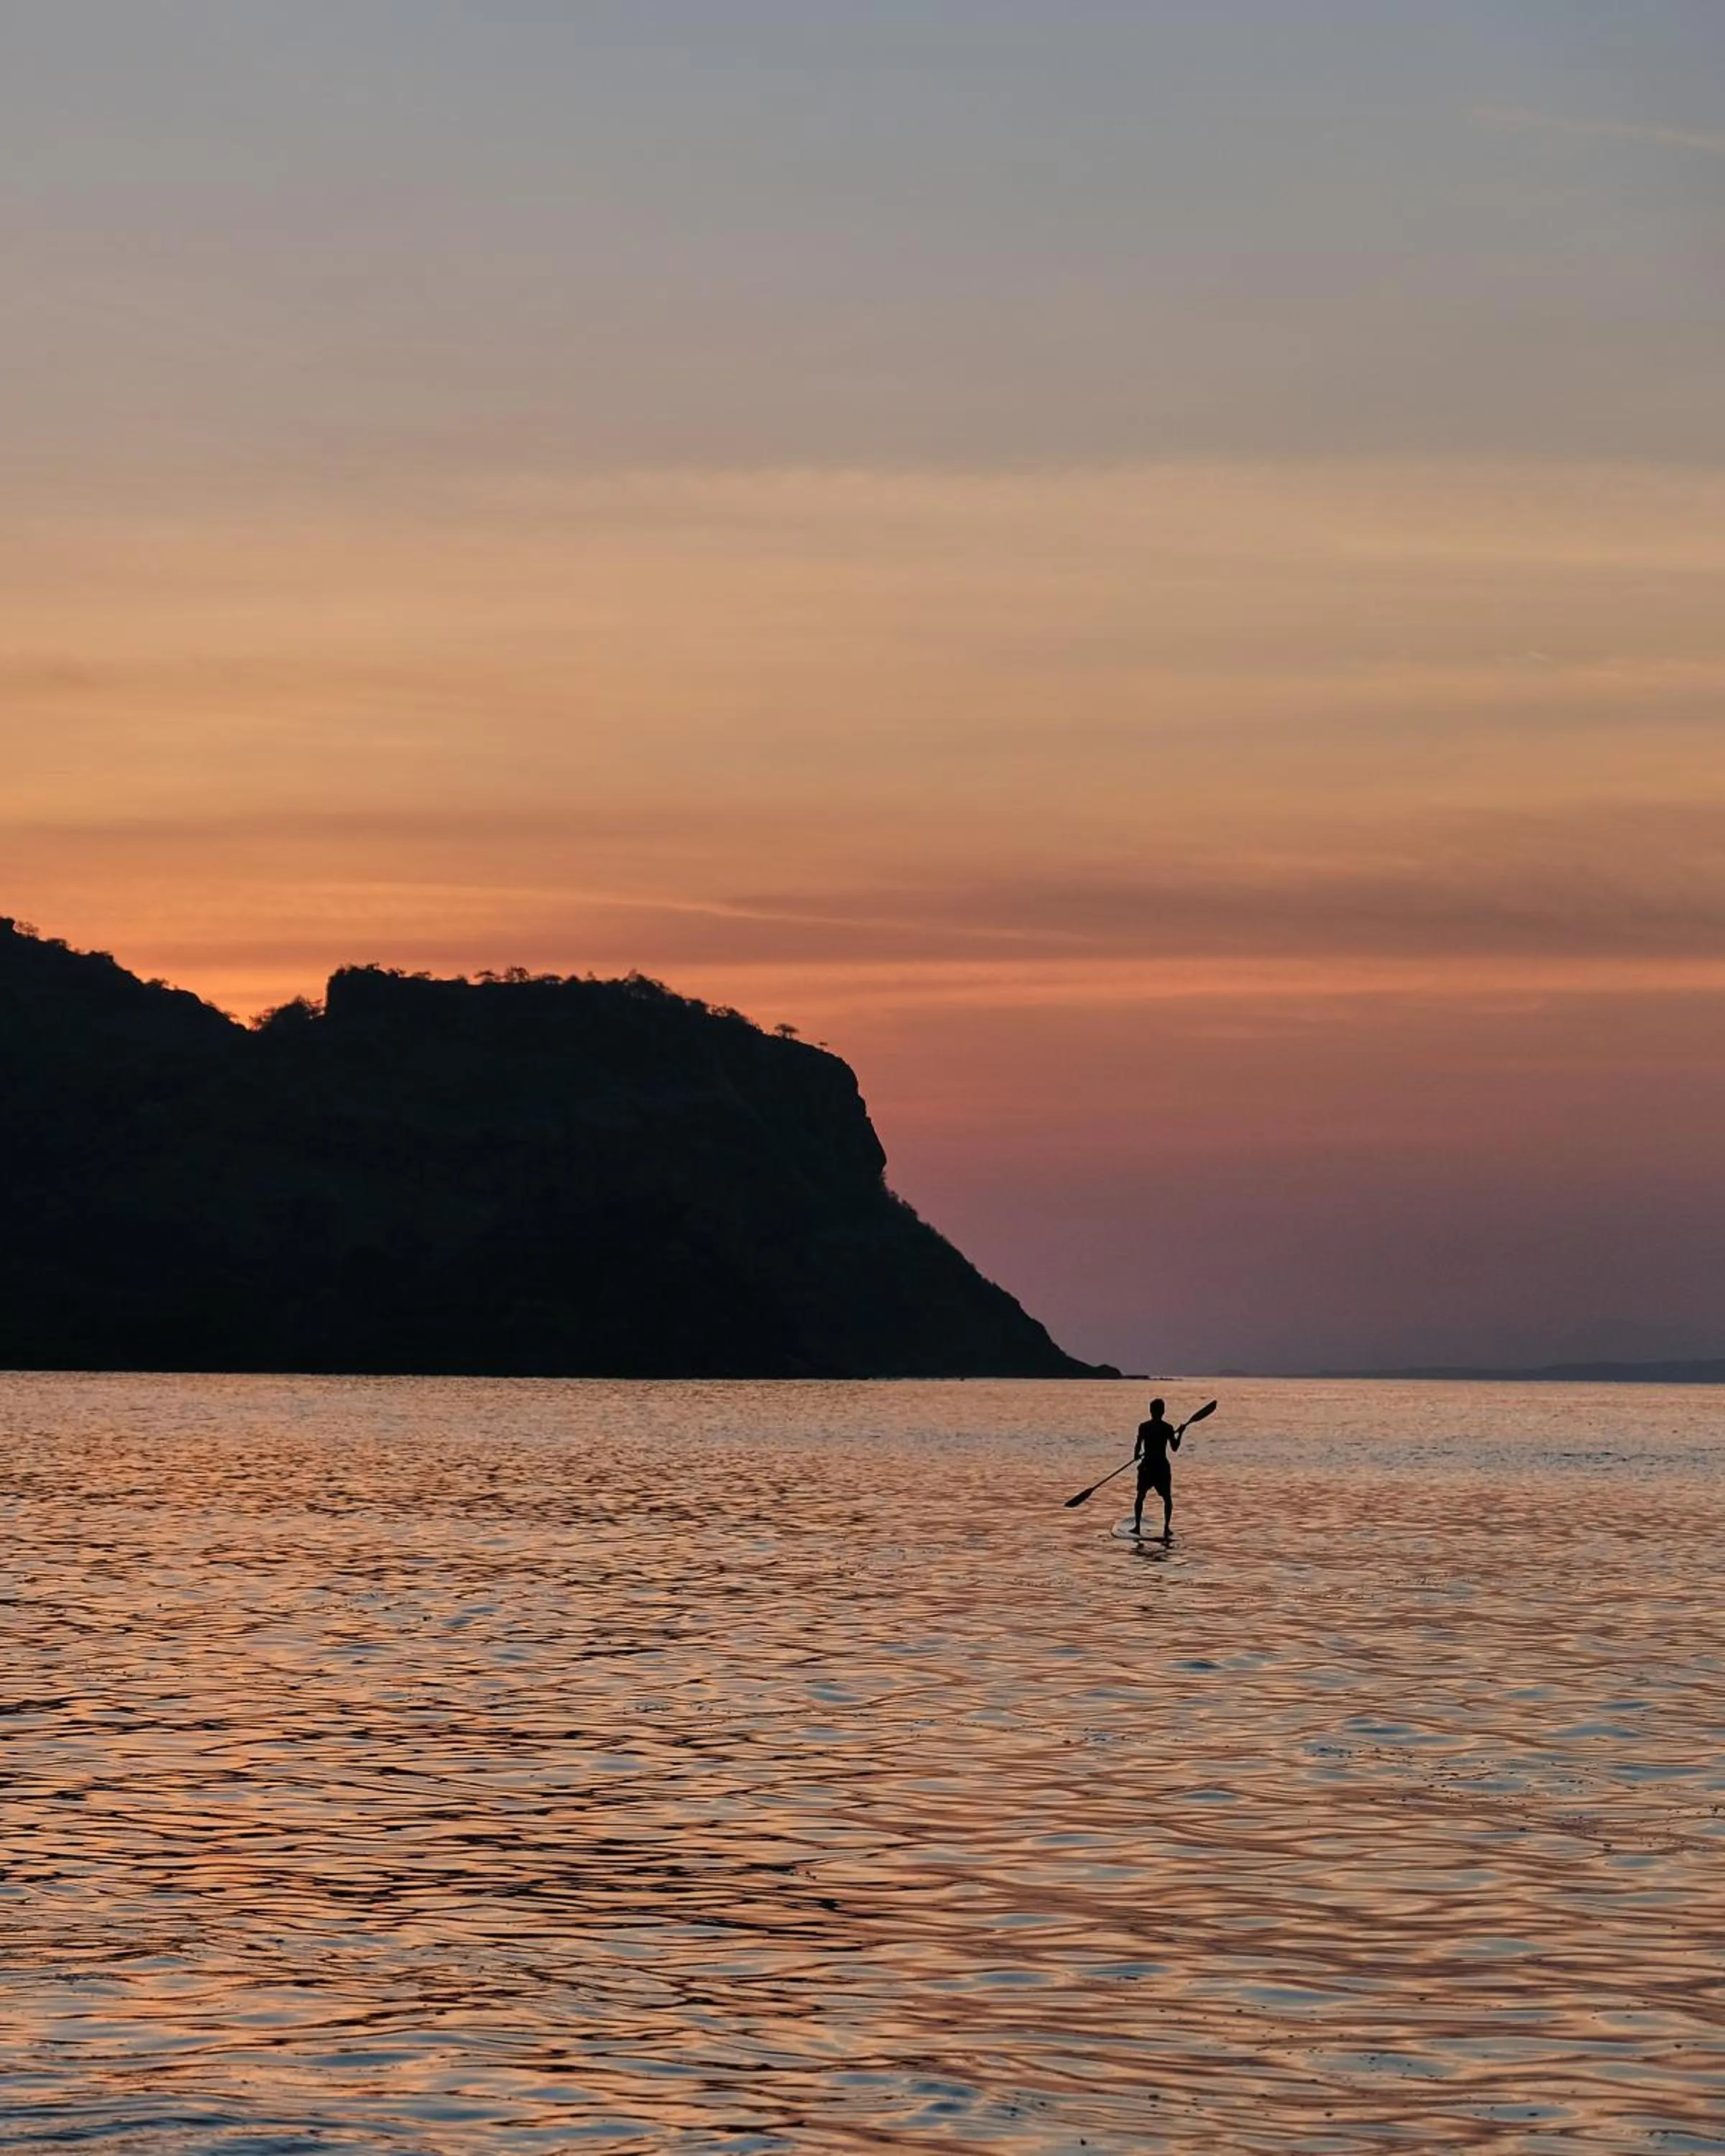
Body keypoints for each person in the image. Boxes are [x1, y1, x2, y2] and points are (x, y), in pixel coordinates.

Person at [1132, 1396, 1181, 1543]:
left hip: (1147, 1465)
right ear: (1163, 1412)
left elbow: (1137, 1445)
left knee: (1141, 1496)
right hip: (1161, 1466)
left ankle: (1137, 1526)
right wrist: (1181, 1434)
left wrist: (1136, 1456)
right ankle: (1166, 1527)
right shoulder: (1168, 1428)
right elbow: (1175, 1448)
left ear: (1151, 1411)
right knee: (1167, 1498)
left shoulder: (1144, 1426)